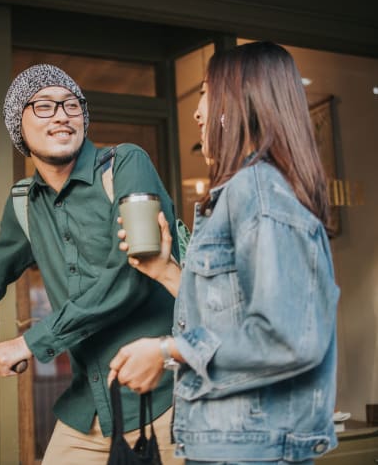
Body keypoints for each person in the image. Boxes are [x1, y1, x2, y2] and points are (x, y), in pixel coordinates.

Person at [0, 64, 184, 464]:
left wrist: (29, 343)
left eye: (72, 105)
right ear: (17, 126)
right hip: (88, 404)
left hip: (164, 398)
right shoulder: (25, 201)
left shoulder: (125, 164)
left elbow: (130, 275)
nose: (61, 114)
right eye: (43, 105)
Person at [108, 41, 340, 465]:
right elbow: (233, 317)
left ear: (238, 103)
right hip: (234, 445)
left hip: (250, 449)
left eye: (205, 92)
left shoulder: (257, 190)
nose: (196, 112)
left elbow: (288, 337)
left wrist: (164, 351)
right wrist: (166, 271)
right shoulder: (248, 191)